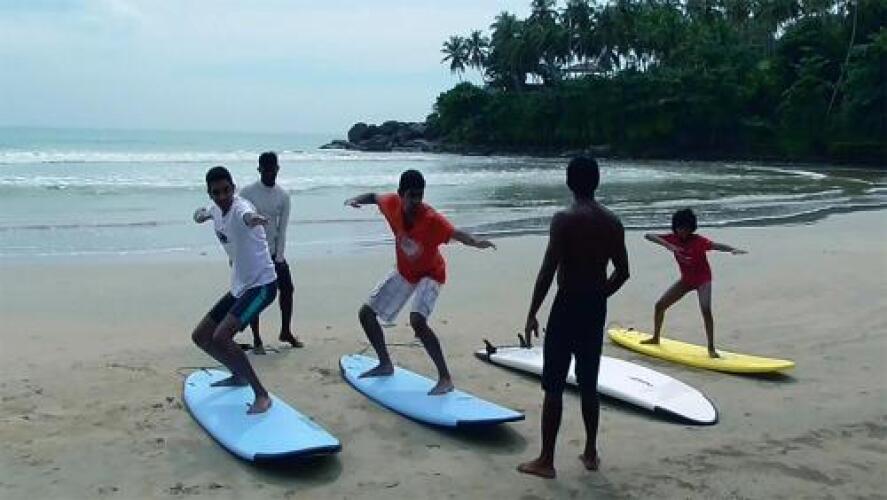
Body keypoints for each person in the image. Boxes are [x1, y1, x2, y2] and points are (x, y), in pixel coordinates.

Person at [518, 156, 630, 479]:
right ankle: (591, 452)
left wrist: (532, 312)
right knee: (588, 382)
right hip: (594, 307)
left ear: (569, 182)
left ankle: (546, 460)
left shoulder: (564, 220)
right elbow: (623, 272)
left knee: (554, 384)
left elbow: (548, 270)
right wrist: (600, 295)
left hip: (566, 304)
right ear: (597, 181)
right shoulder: (612, 222)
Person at [344, 169, 496, 395]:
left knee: (417, 320)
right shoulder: (391, 203)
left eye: (420, 195)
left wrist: (477, 242)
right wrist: (355, 199)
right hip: (405, 271)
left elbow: (457, 234)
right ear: (400, 194)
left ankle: (445, 378)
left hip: (431, 273)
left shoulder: (431, 219)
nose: (416, 201)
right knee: (366, 314)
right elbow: (374, 196)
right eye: (411, 195)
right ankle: (385, 364)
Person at [191, 166, 278, 414]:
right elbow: (204, 213)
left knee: (221, 337)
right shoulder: (215, 209)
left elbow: (246, 217)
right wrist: (200, 215)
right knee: (201, 337)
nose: (222, 196)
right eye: (216, 192)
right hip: (240, 286)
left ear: (233, 188)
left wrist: (255, 219)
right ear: (209, 193)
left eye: (226, 190)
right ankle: (238, 375)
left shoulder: (241, 208)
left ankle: (261, 395)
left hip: (262, 286)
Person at [641, 208, 747, 358]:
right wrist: (669, 246)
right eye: (680, 228)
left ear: (691, 228)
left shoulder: (699, 241)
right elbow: (648, 235)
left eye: (686, 228)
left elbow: (716, 246)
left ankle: (711, 348)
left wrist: (732, 249)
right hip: (686, 280)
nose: (682, 231)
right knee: (659, 306)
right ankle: (655, 338)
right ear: (675, 227)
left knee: (705, 309)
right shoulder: (673, 239)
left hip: (703, 280)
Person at [239, 151, 302, 353]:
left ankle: (286, 331)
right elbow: (239, 226)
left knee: (287, 289)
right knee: (254, 295)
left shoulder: (283, 196)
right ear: (259, 170)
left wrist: (280, 257)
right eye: (266, 170)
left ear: (277, 169)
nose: (270, 174)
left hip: (274, 252)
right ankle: (257, 339)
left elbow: (282, 229)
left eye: (273, 170)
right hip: (252, 254)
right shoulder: (247, 193)